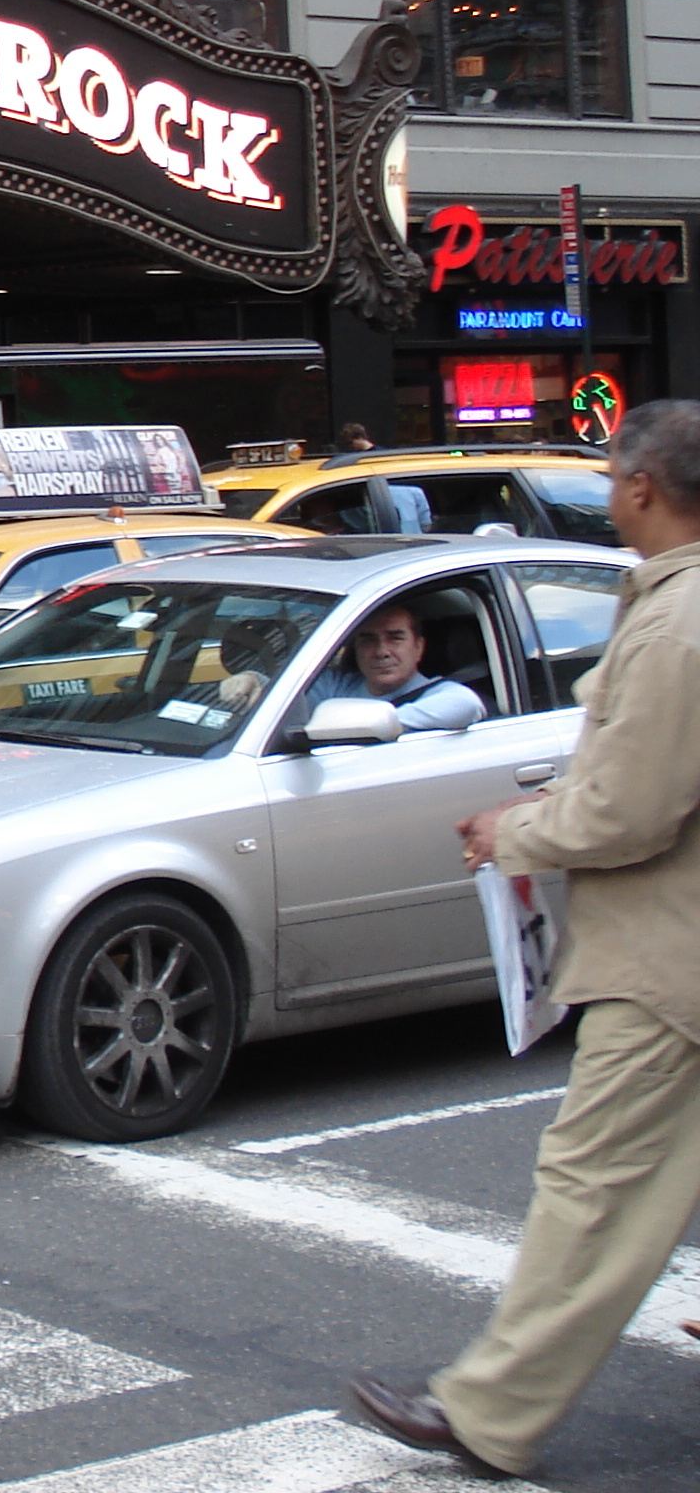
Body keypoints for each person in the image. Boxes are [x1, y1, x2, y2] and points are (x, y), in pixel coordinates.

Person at [350, 398, 700, 1479]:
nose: (605, 496)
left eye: (609, 479)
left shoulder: (680, 621)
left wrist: (517, 830)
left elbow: (631, 811)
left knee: (592, 1184)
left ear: (641, 488)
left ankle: (492, 1409)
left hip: (667, 958)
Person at [299, 599, 487, 731]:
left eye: (395, 638)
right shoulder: (333, 685)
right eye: (369, 640)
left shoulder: (438, 693)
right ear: (355, 647)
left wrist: (377, 725)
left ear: (418, 647)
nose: (382, 651)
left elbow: (467, 705)